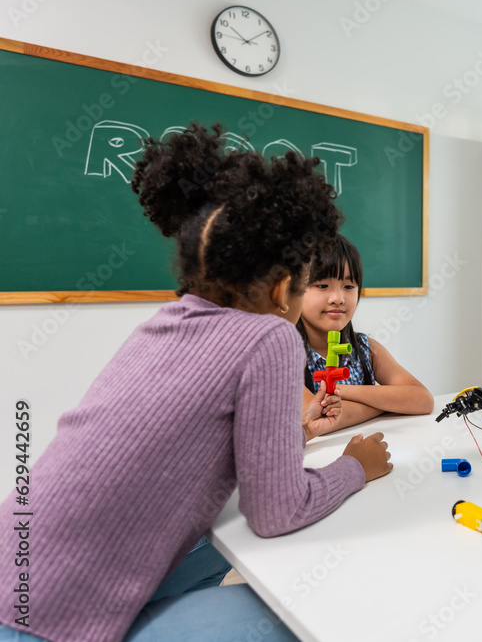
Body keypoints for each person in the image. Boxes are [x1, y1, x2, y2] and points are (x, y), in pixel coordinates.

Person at [0, 123, 392, 642]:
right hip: (56, 622)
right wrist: (352, 469)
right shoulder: (269, 338)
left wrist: (296, 434)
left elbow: (185, 445)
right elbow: (275, 512)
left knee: (221, 546)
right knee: (308, 598)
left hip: (15, 571)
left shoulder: (162, 323)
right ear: (282, 290)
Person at [298, 235, 434, 433]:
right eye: (322, 286)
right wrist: (384, 404)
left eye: (348, 286)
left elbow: (423, 400)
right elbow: (314, 421)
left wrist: (340, 392)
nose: (338, 298)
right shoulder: (286, 355)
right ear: (295, 290)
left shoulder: (365, 349)